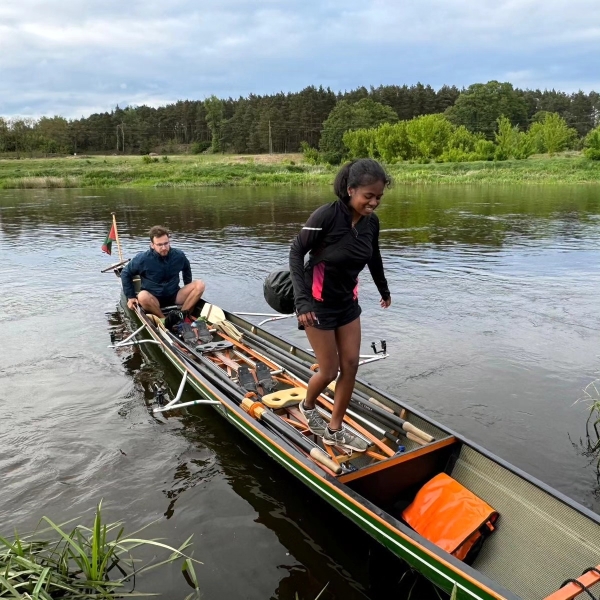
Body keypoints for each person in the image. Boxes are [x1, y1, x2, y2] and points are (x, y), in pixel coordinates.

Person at [289, 159, 392, 453]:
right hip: (316, 304)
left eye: (379, 197)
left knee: (351, 365)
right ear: (350, 190)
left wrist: (383, 289)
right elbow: (297, 251)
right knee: (329, 370)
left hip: (347, 303)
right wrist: (302, 301)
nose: (373, 202)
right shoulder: (327, 215)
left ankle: (335, 428)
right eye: (368, 196)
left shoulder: (372, 223)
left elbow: (374, 256)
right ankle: (307, 405)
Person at [121, 225, 205, 318]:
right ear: (152, 245)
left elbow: (186, 269)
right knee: (142, 296)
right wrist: (131, 296)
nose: (164, 248)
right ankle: (163, 320)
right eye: (160, 245)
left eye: (166, 243)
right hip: (154, 299)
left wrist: (187, 287)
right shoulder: (142, 259)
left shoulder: (179, 255)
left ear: (169, 242)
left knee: (200, 285)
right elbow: (125, 273)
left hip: (174, 295)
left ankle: (182, 315)